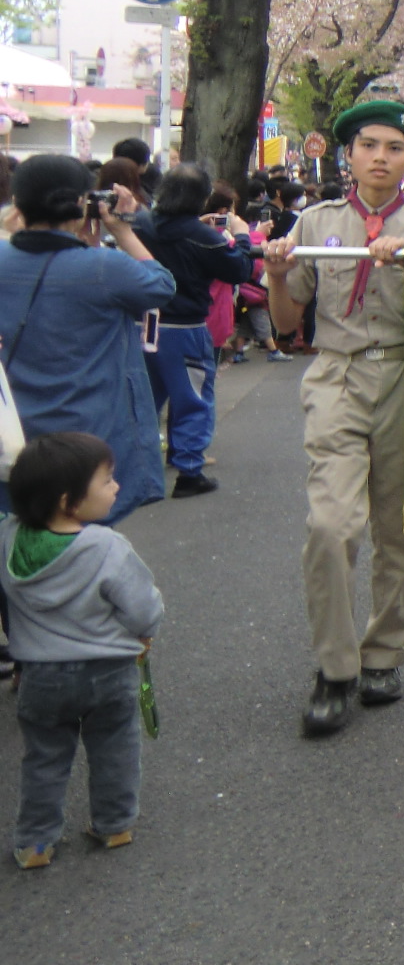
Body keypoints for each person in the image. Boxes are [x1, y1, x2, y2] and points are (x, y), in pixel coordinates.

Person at [263, 100, 404, 737]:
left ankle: (383, 656)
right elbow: (288, 324)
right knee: (331, 522)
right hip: (336, 374)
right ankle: (334, 668)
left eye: (394, 147)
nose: (381, 157)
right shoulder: (315, 222)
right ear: (346, 154)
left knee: (398, 528)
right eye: (368, 145)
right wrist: (274, 274)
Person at [2, 433, 164, 870]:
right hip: (109, 672)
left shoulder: (9, 538)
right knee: (114, 748)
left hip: (40, 675)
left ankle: (36, 843)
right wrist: (146, 633)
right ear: (69, 502)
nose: (115, 486)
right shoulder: (106, 547)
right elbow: (142, 606)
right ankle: (115, 825)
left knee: (45, 758)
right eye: (107, 480)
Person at [0, 156, 174, 524]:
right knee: (82, 544)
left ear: (16, 204)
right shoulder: (105, 268)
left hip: (12, 433)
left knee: (16, 538)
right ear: (82, 203)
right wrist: (123, 231)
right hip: (87, 434)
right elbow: (161, 285)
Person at [141, 165, 255, 498]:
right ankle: (189, 470)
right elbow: (239, 269)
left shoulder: (142, 226)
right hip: (185, 327)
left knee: (146, 398)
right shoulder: (204, 237)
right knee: (192, 397)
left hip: (144, 322)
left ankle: (139, 471)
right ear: (202, 198)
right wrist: (243, 235)